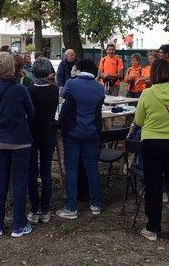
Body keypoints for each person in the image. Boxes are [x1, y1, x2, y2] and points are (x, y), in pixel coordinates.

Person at [134, 59, 169, 242]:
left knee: (153, 186)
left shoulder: (148, 93)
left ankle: (153, 228)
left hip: (151, 142)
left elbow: (140, 120)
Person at [0, 52, 35, 238]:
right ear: (12, 69)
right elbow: (31, 113)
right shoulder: (21, 90)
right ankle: (18, 225)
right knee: (19, 181)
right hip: (20, 141)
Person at [56, 58, 104, 220]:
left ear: (78, 69)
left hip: (73, 132)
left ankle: (71, 207)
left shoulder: (71, 83)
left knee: (72, 169)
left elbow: (63, 95)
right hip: (92, 132)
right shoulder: (99, 88)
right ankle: (96, 204)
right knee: (92, 168)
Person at [26, 57, 58, 224]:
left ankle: (35, 209)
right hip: (48, 134)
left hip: (32, 135)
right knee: (46, 172)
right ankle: (45, 210)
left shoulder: (29, 91)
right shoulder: (54, 90)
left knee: (32, 173)